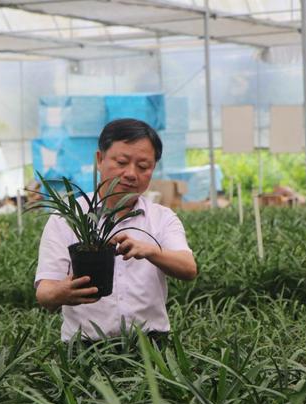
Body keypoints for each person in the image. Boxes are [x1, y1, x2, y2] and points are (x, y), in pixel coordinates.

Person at [34, 118, 198, 342]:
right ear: (99, 159)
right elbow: (45, 293)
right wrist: (63, 292)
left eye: (143, 167)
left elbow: (189, 268)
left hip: (151, 345)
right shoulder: (66, 217)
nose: (131, 173)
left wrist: (150, 251)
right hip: (85, 347)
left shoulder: (162, 218)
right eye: (121, 162)